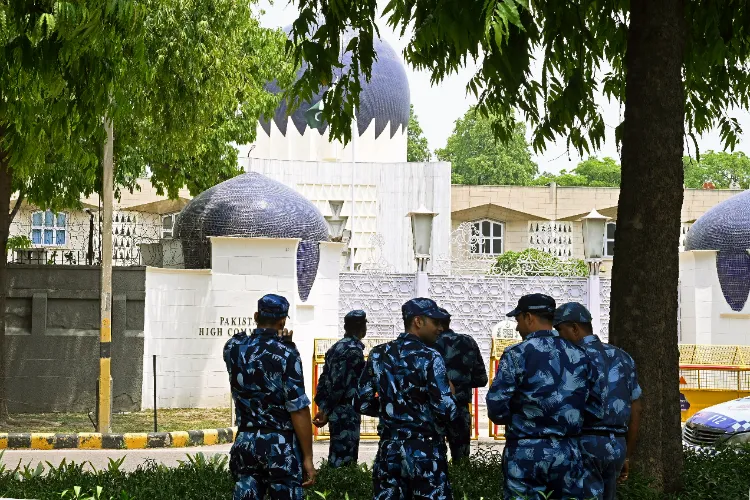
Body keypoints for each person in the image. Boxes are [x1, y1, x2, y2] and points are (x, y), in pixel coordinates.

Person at [486, 293, 602, 500]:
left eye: (518, 320)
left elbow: (496, 406)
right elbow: (595, 408)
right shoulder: (580, 355)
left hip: (525, 452)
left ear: (529, 317)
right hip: (568, 451)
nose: (517, 327)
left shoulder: (517, 354)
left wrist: (518, 421)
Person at [357, 298, 457, 500]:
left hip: (389, 450)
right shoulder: (430, 357)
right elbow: (446, 410)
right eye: (435, 322)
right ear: (418, 321)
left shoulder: (378, 354)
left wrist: (393, 407)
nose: (440, 328)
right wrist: (451, 396)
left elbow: (361, 402)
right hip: (424, 450)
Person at [223, 294, 316, 500]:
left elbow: (239, 340)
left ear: (256, 316)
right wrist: (308, 457)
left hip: (246, 443)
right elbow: (298, 409)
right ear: (283, 321)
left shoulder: (233, 349)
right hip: (280, 445)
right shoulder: (287, 354)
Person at [554, 302, 643, 500]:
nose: (558, 337)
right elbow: (636, 409)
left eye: (560, 330)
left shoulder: (571, 359)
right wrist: (626, 453)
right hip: (617, 446)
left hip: (584, 445)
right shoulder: (623, 357)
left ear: (575, 328)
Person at [312, 309, 368, 467]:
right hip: (346, 411)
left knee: (337, 453)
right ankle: (341, 490)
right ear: (362, 328)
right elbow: (339, 385)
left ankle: (334, 486)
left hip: (337, 410)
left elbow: (324, 380)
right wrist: (326, 410)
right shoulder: (353, 351)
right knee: (346, 458)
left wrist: (323, 408)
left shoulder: (336, 348)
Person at [432, 307, 488, 461]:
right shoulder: (467, 342)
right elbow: (482, 379)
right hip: (460, 408)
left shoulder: (426, 345)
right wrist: (462, 383)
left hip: (433, 410)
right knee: (461, 461)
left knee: (434, 459)